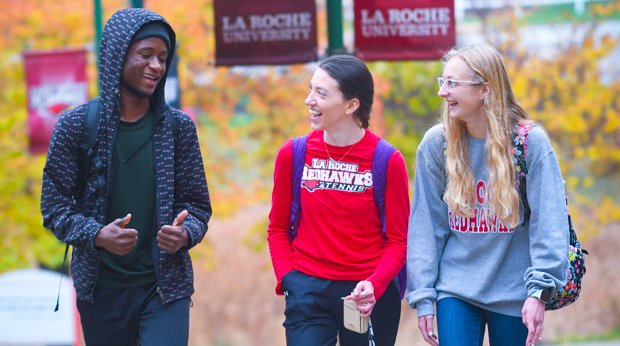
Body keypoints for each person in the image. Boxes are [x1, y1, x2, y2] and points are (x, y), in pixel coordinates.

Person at [41, 8, 211, 346]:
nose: (157, 66)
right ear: (118, 56)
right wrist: (97, 234)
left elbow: (197, 205)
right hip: (101, 291)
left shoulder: (178, 128)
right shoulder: (76, 126)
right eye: (146, 55)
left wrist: (185, 232)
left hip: (165, 290)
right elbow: (54, 207)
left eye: (163, 57)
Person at [406, 44, 569, 346]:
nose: (443, 92)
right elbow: (426, 227)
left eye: (453, 83)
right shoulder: (436, 144)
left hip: (515, 293)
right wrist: (423, 296)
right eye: (443, 82)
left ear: (485, 89)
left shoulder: (529, 144)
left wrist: (539, 292)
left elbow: (549, 224)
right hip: (455, 290)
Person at [267, 54, 410, 346]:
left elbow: (398, 242)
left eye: (321, 93)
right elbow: (277, 229)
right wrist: (289, 279)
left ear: (351, 105)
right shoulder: (293, 153)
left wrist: (375, 285)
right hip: (308, 290)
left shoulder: (387, 160)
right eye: (311, 89)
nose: (309, 100)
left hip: (365, 294)